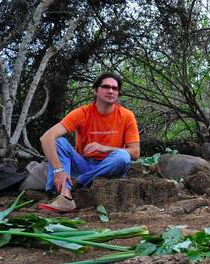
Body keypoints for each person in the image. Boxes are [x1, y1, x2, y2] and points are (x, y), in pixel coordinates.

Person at [38, 72, 140, 213]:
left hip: (109, 166)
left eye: (115, 88)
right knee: (59, 142)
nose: (111, 91)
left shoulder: (127, 115)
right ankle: (65, 197)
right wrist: (58, 170)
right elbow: (46, 138)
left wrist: (104, 148)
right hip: (83, 164)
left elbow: (135, 153)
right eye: (105, 87)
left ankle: (77, 182)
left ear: (118, 93)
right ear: (95, 90)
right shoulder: (82, 113)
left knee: (122, 157)